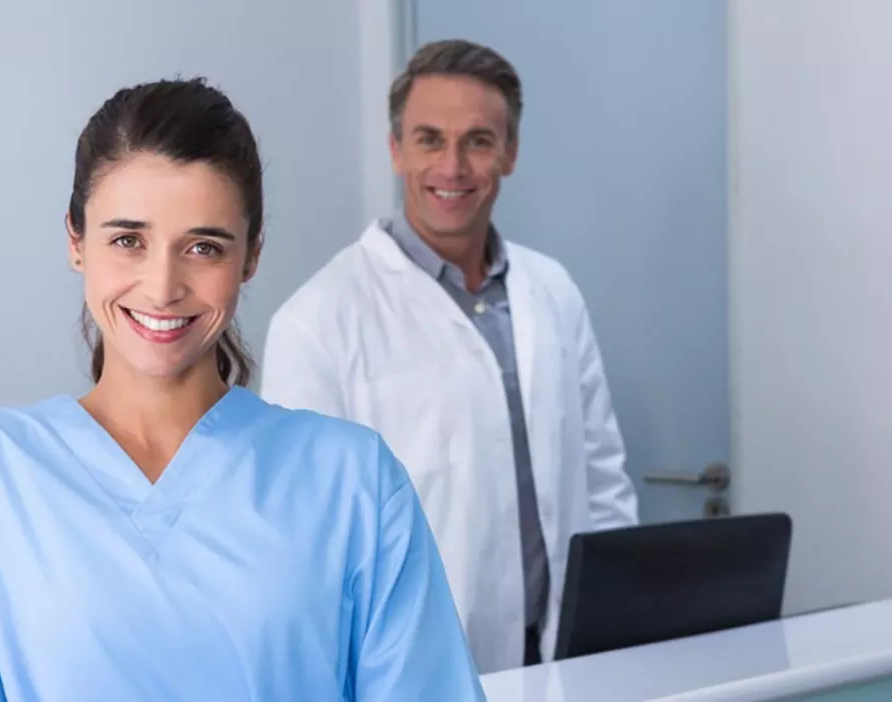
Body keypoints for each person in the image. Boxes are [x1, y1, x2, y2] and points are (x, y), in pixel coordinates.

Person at [0, 78, 484, 700]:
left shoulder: (355, 481)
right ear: (75, 241)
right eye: (127, 240)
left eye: (203, 247)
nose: (163, 286)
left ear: (250, 256)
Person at [261, 39, 638, 672]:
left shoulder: (553, 292)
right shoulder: (317, 320)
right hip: (410, 665)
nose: (453, 166)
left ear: (510, 153)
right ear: (396, 149)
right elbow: (306, 543)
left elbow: (602, 481)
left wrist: (615, 623)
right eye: (430, 139)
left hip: (568, 655)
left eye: (479, 141)